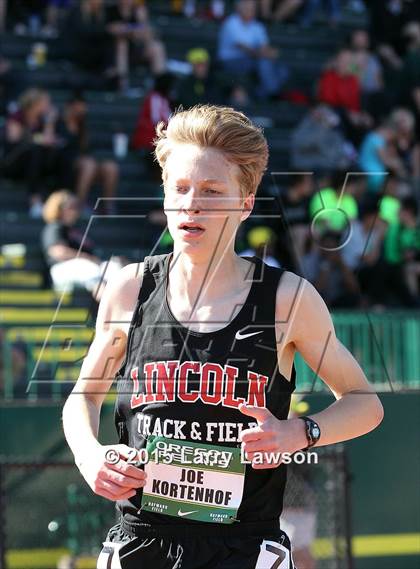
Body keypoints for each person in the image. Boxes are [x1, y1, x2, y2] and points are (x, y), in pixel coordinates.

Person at [62, 105, 383, 568]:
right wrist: (89, 456)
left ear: (245, 203)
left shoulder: (287, 299)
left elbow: (365, 402)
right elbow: (82, 398)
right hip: (142, 540)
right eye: (181, 189)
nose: (192, 204)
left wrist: (301, 431)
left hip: (245, 545)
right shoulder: (130, 289)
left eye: (212, 192)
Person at [41, 190, 127, 301]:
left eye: (77, 206)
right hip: (62, 269)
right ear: (60, 208)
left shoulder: (76, 229)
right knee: (89, 269)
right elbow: (58, 252)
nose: (76, 210)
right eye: (72, 206)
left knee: (115, 268)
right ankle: (109, 308)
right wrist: (87, 258)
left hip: (86, 266)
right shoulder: (55, 227)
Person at [1, 88, 68, 217]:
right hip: (11, 163)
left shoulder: (42, 119)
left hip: (33, 164)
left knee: (60, 154)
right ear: (36, 103)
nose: (49, 105)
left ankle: (63, 199)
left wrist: (49, 122)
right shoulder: (18, 115)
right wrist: (38, 139)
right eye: (45, 102)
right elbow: (14, 138)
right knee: (34, 150)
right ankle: (34, 201)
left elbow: (49, 140)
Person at [57, 93, 120, 215]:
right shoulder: (58, 121)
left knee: (110, 167)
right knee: (89, 164)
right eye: (80, 106)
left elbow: (85, 148)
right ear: (71, 106)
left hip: (83, 162)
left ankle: (108, 207)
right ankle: (78, 206)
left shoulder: (83, 124)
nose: (83, 110)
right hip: (64, 163)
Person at [218, 0, 289, 100]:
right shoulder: (231, 22)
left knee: (282, 70)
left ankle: (261, 94)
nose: (250, 10)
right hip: (231, 60)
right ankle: (273, 93)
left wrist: (271, 53)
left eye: (252, 8)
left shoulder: (257, 26)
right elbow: (244, 47)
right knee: (264, 62)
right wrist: (265, 53)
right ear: (239, 9)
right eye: (247, 8)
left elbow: (264, 46)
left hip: (252, 59)